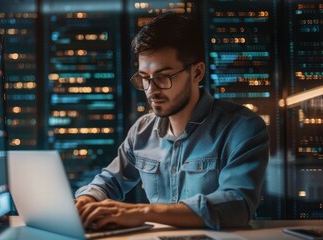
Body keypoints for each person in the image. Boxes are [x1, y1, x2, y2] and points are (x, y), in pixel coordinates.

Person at [75, 12, 269, 230]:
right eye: (144, 78)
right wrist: (86, 202)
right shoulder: (141, 131)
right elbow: (108, 182)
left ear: (197, 72)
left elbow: (237, 205)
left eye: (162, 77)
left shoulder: (242, 127)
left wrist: (141, 212)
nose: (151, 90)